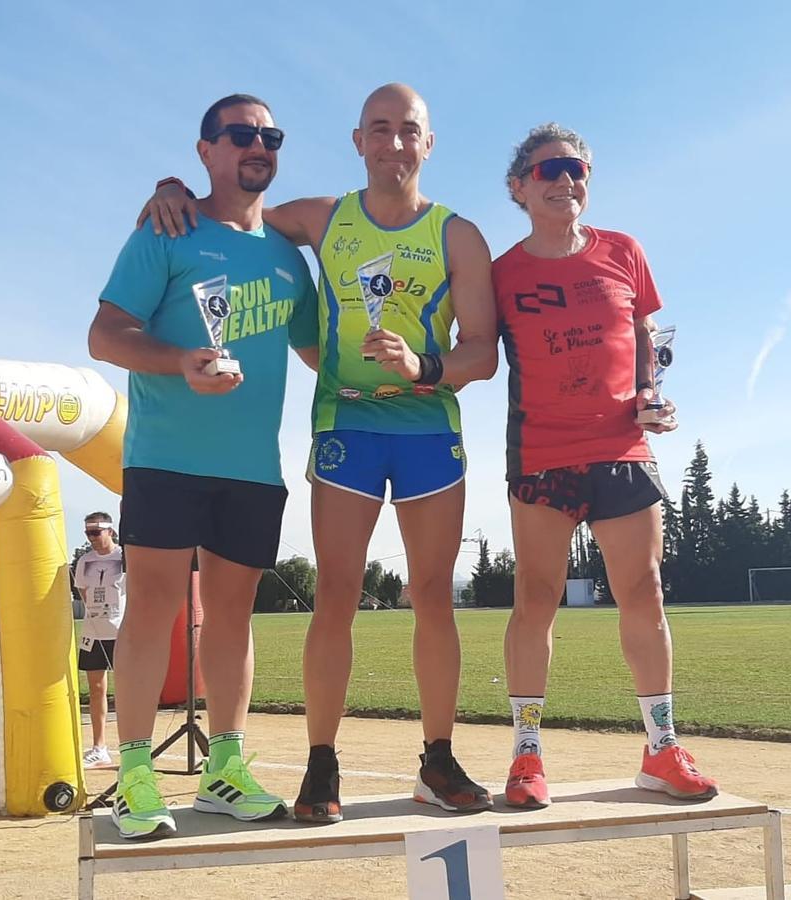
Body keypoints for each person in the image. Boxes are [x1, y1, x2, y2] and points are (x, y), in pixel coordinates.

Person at [138, 83, 498, 822]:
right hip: (346, 427)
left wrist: (425, 369)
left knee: (431, 595)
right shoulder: (322, 219)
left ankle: (437, 757)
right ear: (357, 140)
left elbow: (483, 353)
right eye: (379, 130)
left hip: (428, 427)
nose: (394, 144)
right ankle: (321, 763)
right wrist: (171, 188)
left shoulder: (458, 235)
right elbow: (236, 209)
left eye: (408, 131)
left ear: (428, 144)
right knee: (336, 593)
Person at [90, 93, 320, 839]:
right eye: (242, 134)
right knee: (153, 607)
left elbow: (320, 353)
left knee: (231, 616)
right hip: (165, 456)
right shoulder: (170, 227)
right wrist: (178, 362)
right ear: (206, 151)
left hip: (252, 465)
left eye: (271, 136)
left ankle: (224, 768)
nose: (259, 145)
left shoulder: (288, 257)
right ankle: (132, 774)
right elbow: (105, 334)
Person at [492, 123, 716, 809]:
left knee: (644, 589)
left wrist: (657, 399)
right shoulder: (501, 273)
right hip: (541, 451)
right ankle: (527, 756)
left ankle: (661, 747)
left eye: (578, 169)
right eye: (550, 169)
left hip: (622, 446)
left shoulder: (624, 251)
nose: (566, 180)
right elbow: (472, 344)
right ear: (519, 186)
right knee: (535, 599)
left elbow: (647, 336)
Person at [73, 512, 124, 768]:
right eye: (88, 533)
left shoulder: (124, 558)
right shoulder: (84, 562)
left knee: (127, 690)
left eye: (96, 532)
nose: (92, 537)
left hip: (121, 631)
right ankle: (99, 747)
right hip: (93, 633)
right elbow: (83, 590)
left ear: (110, 531)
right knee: (96, 689)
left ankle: (132, 746)